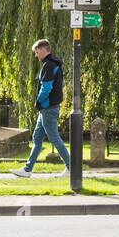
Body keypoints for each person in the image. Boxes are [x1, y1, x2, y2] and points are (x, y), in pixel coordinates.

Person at [12, 39, 71, 177]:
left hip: (48, 108)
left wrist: (38, 101)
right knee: (37, 137)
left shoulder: (49, 65)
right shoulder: (55, 64)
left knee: (54, 138)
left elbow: (46, 87)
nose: (36, 55)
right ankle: (27, 170)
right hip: (48, 108)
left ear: (43, 50)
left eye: (37, 52)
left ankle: (71, 167)